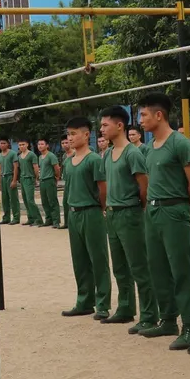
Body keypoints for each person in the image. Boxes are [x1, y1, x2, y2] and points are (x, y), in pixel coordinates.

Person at [135, 93, 190, 349]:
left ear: (159, 115)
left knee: (181, 269)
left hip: (174, 211)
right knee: (158, 267)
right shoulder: (150, 148)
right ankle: (168, 319)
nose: (140, 120)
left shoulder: (180, 144)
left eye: (144, 115)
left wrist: (184, 207)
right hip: (153, 212)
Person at [99, 105, 154, 329]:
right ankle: (125, 308)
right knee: (120, 266)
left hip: (130, 213)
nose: (101, 129)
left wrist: (136, 210)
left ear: (119, 125)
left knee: (139, 266)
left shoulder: (133, 153)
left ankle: (149, 314)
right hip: (112, 214)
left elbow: (144, 187)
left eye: (105, 125)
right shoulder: (109, 154)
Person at [60, 117, 111, 318]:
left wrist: (101, 208)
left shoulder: (94, 160)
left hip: (91, 212)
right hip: (74, 214)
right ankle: (84, 301)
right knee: (79, 260)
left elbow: (102, 189)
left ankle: (103, 304)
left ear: (86, 134)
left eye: (74, 133)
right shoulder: (69, 161)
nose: (70, 138)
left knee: (98, 259)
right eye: (68, 134)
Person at [16, 140, 42, 226]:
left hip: (29, 178)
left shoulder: (31, 155)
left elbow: (36, 167)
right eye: (20, 145)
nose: (21, 146)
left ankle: (38, 219)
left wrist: (36, 178)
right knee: (25, 200)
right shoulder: (19, 156)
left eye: (23, 144)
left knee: (30, 200)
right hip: (22, 179)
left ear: (27, 144)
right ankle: (30, 218)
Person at [37, 138, 61, 228]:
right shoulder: (40, 157)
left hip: (49, 180)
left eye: (42, 144)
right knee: (44, 201)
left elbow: (57, 168)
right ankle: (48, 219)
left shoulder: (51, 156)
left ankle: (56, 221)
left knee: (52, 201)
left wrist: (56, 177)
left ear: (47, 145)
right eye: (39, 144)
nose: (40, 146)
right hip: (42, 181)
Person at [0, 138, 20, 225]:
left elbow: (15, 167)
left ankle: (16, 217)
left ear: (8, 144)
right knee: (4, 199)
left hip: (10, 176)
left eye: (4, 143)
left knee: (13, 198)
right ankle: (6, 217)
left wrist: (14, 180)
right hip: (3, 177)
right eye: (0, 143)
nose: (2, 145)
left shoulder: (12, 154)